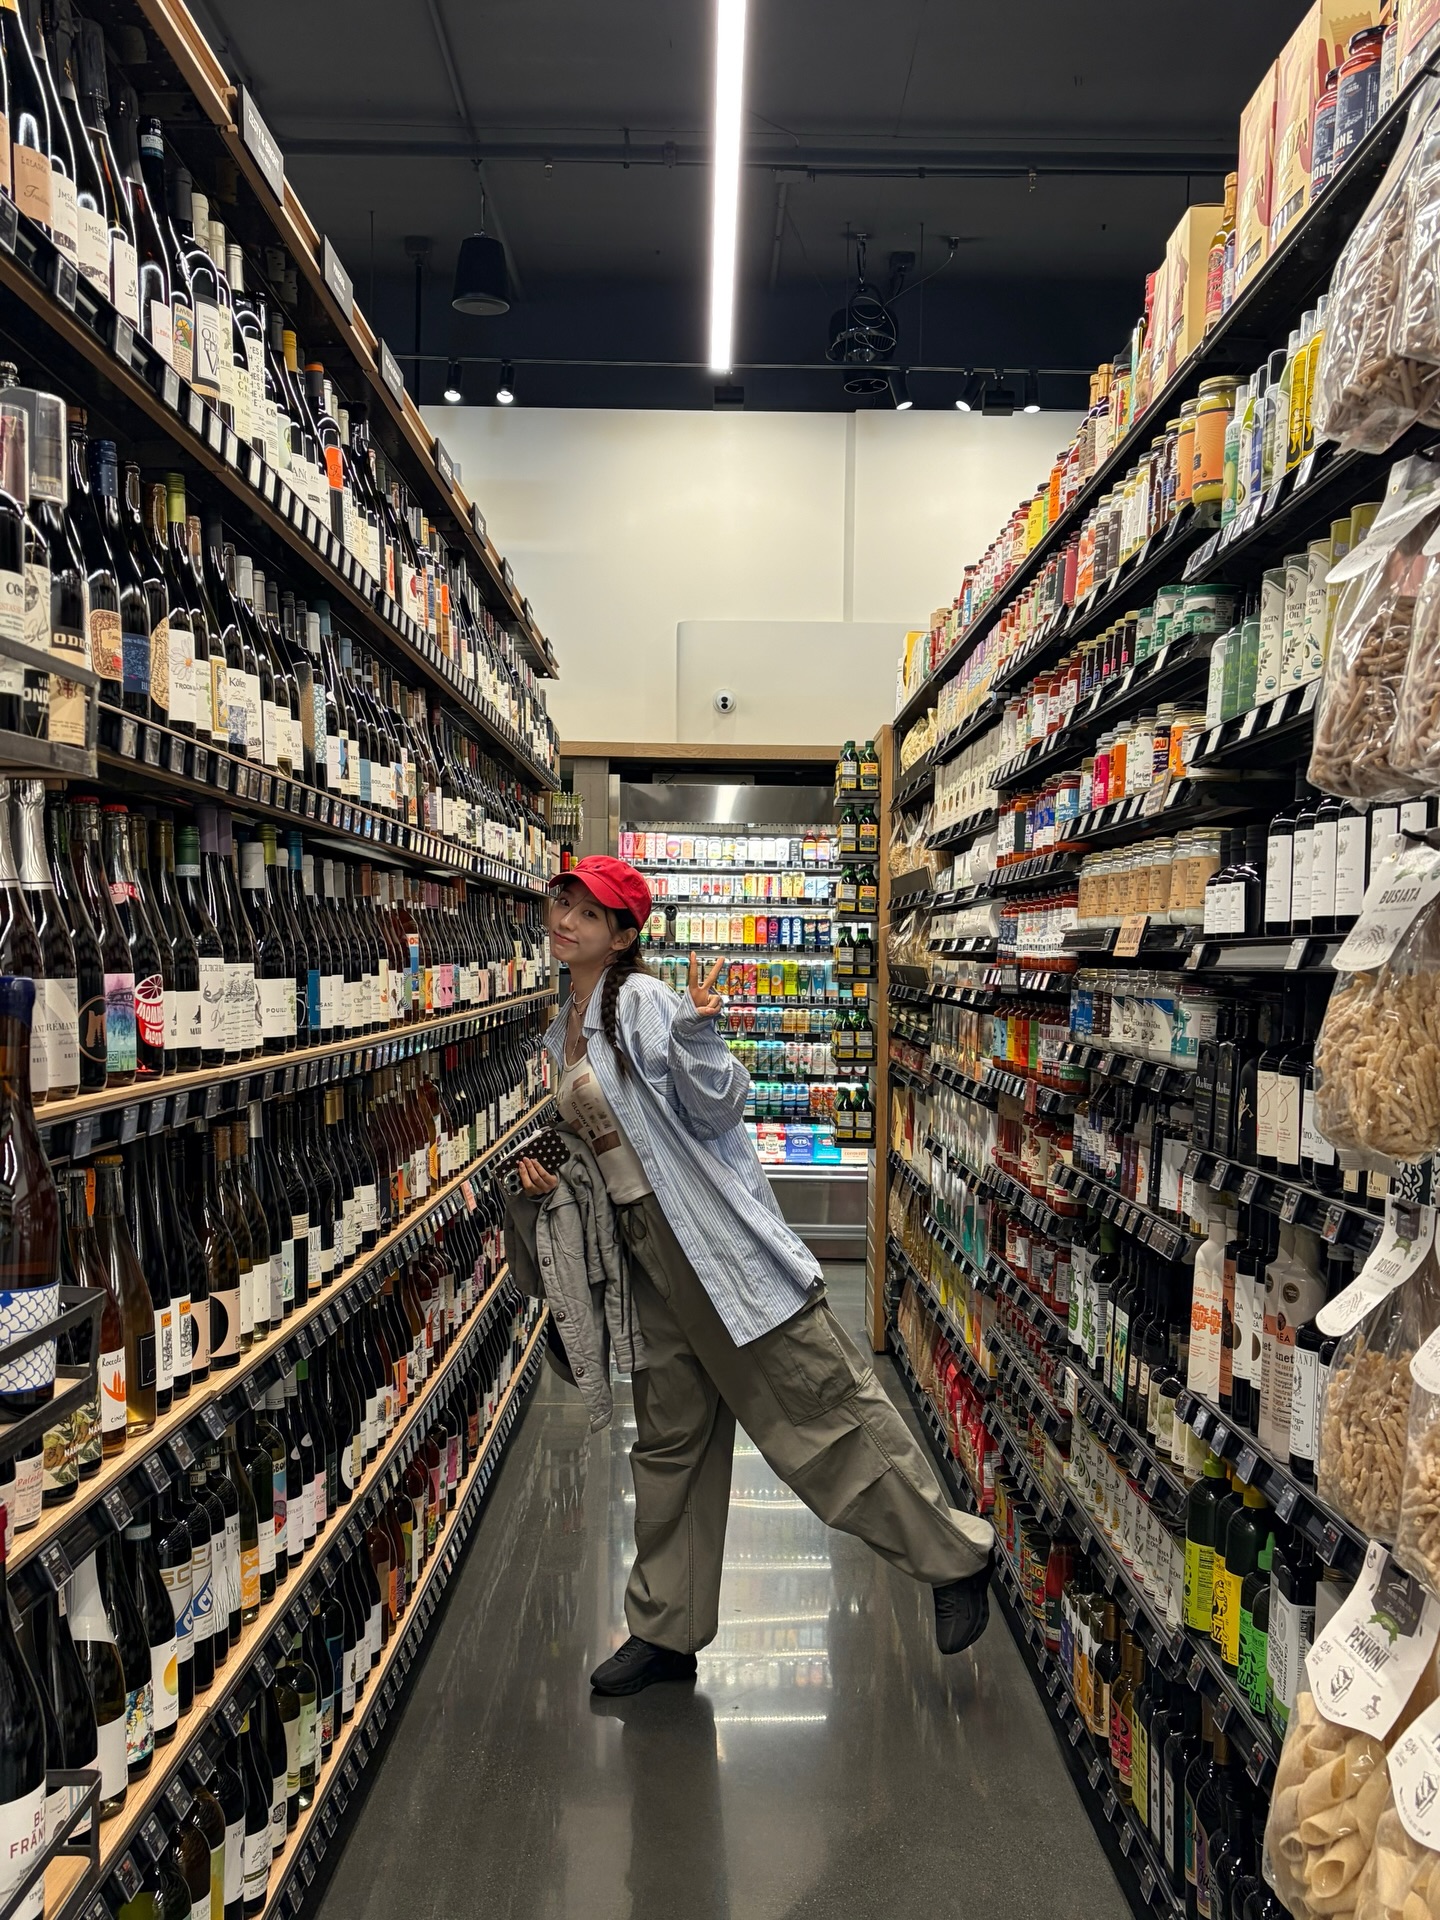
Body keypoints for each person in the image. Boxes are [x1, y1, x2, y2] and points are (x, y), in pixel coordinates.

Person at [518, 855, 995, 1696]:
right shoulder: (567, 1024)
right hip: (646, 1252)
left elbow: (715, 1109)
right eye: (563, 904)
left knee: (820, 1410)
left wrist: (702, 1033)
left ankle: (956, 1555)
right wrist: (553, 1181)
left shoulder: (641, 1001)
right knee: (670, 1440)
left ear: (623, 936)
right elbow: (612, 1148)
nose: (566, 921)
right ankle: (664, 1629)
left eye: (588, 913)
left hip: (712, 1245)